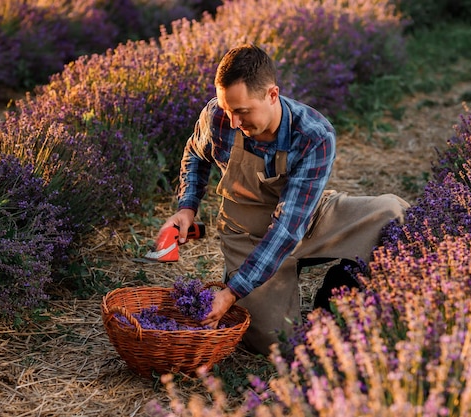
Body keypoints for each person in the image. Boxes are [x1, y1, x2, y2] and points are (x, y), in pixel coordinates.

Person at [160, 43, 409, 355]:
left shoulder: (313, 134)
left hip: (307, 221)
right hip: (246, 235)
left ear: (272, 95)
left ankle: (341, 285)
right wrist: (187, 208)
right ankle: (266, 289)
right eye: (227, 109)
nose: (233, 121)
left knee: (395, 215)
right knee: (278, 344)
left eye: (242, 111)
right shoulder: (218, 117)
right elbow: (195, 154)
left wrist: (232, 291)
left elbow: (289, 227)